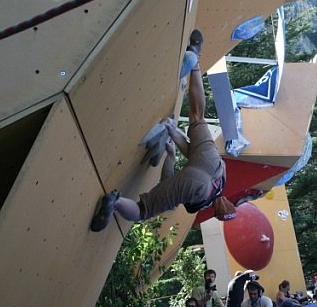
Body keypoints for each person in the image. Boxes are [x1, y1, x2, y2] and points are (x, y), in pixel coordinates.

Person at [91, 30, 238, 232]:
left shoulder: (224, 182)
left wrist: (174, 135)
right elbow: (170, 182)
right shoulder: (198, 205)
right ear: (215, 211)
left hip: (214, 166)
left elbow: (195, 157)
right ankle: (114, 202)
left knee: (197, 116)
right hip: (199, 188)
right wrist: (170, 157)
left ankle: (195, 60)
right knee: (143, 211)